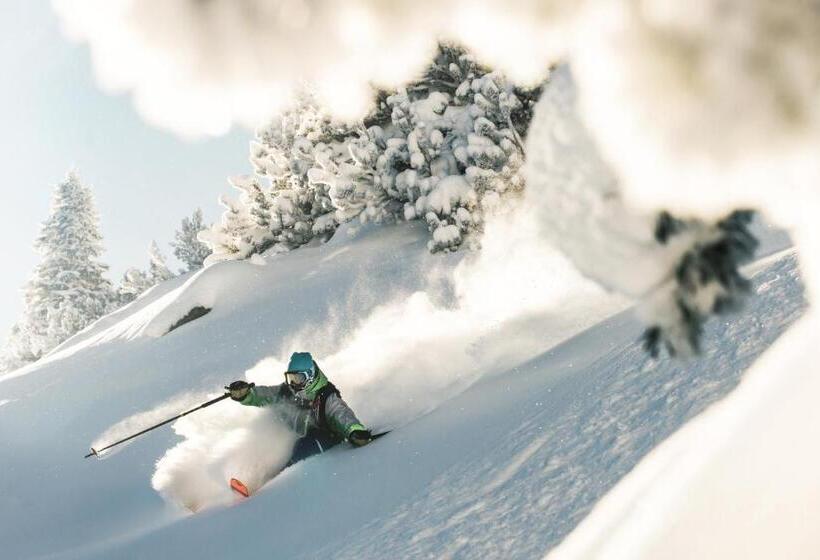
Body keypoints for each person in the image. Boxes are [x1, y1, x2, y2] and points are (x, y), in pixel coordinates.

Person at [226, 352, 372, 465]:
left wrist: (355, 430)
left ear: (310, 376)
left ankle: (278, 479)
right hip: (295, 434)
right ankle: (255, 477)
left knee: (304, 445)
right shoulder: (287, 391)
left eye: (299, 378)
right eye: (291, 378)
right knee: (270, 435)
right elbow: (264, 395)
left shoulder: (327, 396)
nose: (294, 383)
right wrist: (245, 394)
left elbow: (341, 413)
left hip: (323, 439)